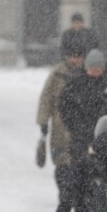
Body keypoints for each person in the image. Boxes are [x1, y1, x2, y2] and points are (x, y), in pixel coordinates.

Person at [58, 49, 107, 166]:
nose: (95, 72)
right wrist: (76, 128)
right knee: (81, 168)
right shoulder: (75, 83)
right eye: (92, 69)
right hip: (80, 138)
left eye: (98, 69)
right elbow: (65, 107)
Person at [36, 44, 87, 198]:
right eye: (73, 56)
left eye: (79, 57)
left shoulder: (87, 74)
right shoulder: (57, 73)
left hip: (81, 126)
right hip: (59, 124)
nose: (76, 60)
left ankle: (75, 192)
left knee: (79, 161)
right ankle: (64, 191)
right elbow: (46, 98)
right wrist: (43, 121)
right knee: (60, 160)